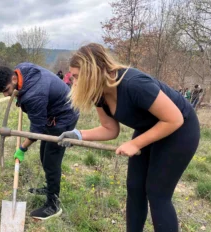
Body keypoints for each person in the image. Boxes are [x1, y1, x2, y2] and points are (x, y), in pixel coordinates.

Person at [57, 43, 200, 232]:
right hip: (149, 127)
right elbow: (109, 129)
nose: (73, 82)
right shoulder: (98, 93)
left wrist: (136, 143)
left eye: (76, 76)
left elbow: (174, 119)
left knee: (157, 193)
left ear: (92, 72)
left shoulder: (135, 84)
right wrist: (79, 134)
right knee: (135, 189)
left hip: (180, 130)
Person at [0, 63, 79, 220]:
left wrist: (22, 149)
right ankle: (50, 187)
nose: (5, 95)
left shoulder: (34, 95)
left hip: (64, 116)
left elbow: (36, 131)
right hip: (52, 113)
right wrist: (19, 97)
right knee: (44, 155)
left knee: (51, 161)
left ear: (14, 78)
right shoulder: (22, 69)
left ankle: (53, 205)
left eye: (6, 90)